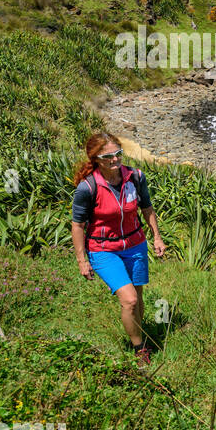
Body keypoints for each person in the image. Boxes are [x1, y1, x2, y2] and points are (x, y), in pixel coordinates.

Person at [70, 133, 166, 368]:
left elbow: (146, 207)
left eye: (118, 154)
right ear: (95, 159)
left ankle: (141, 333)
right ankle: (139, 348)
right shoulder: (87, 187)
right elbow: (78, 225)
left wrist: (157, 237)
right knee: (130, 300)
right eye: (107, 156)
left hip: (135, 244)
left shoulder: (135, 176)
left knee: (139, 295)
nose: (115, 160)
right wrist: (82, 260)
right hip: (103, 249)